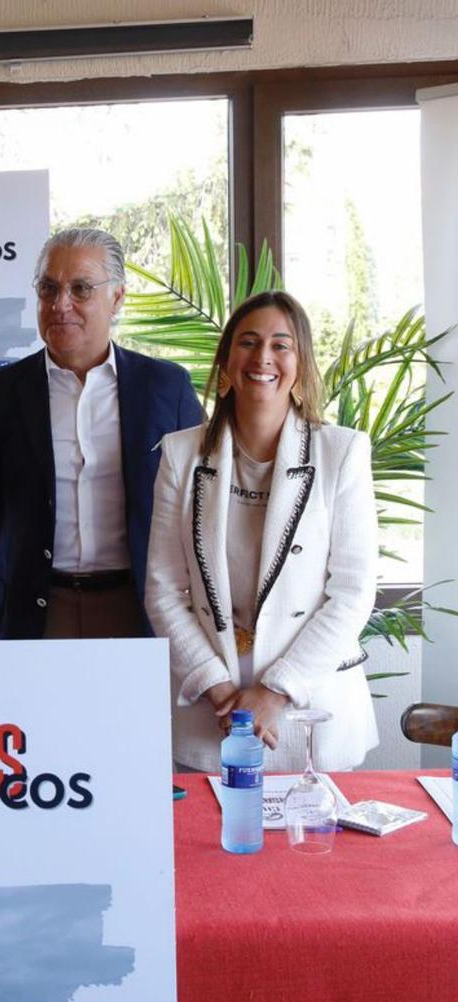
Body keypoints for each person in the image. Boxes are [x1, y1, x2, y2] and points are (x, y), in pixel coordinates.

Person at [145, 290, 378, 772]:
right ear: (227, 361)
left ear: (301, 363)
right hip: (212, 711)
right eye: (248, 343)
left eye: (281, 344)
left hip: (311, 706)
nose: (263, 357)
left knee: (312, 843)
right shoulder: (181, 455)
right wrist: (217, 685)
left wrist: (276, 691)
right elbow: (164, 589)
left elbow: (353, 592)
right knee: (209, 843)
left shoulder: (342, 453)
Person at [0, 227, 201, 639]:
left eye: (81, 289)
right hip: (34, 609)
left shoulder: (166, 388)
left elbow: (200, 497)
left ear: (117, 298)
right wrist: (27, 558)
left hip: (141, 606)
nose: (60, 305)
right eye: (48, 288)